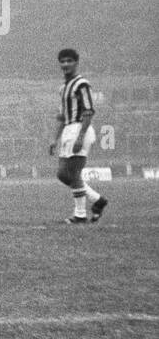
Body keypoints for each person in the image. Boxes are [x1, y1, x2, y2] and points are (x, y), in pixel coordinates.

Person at [49, 48, 107, 224]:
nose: (65, 64)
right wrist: (54, 138)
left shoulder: (82, 84)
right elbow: (61, 116)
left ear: (76, 62)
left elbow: (88, 111)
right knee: (62, 174)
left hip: (79, 128)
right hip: (68, 130)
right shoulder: (63, 88)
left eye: (69, 61)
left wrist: (81, 136)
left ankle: (80, 215)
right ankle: (97, 200)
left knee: (73, 172)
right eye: (63, 61)